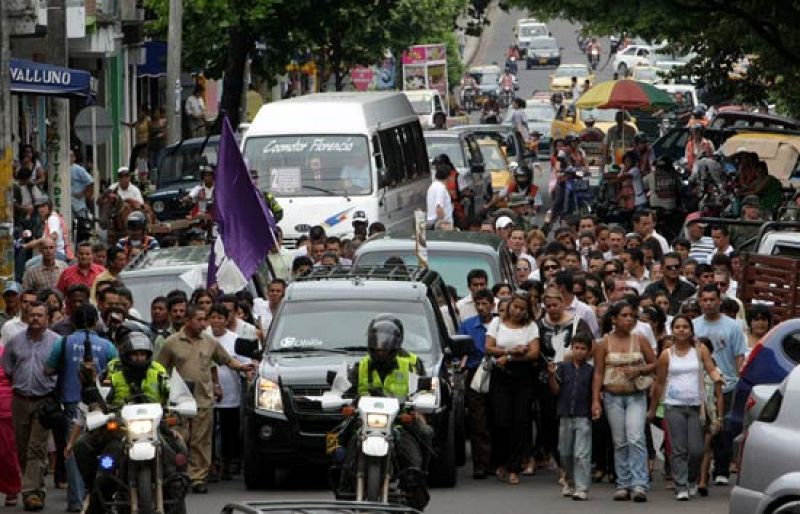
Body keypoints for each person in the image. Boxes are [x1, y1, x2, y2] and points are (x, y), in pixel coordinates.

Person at [157, 306, 252, 493]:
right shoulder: (171, 343)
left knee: (201, 442)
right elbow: (160, 370)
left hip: (204, 400)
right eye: (199, 320)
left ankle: (197, 478)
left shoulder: (209, 342)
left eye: (204, 320)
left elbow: (226, 360)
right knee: (179, 440)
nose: (203, 324)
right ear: (188, 320)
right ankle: (177, 476)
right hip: (179, 402)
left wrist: (243, 368)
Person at [340, 314, 431, 510]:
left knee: (424, 436)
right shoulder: (361, 365)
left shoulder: (412, 363)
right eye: (377, 345)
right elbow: (348, 390)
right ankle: (344, 489)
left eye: (385, 345)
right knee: (341, 442)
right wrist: (342, 400)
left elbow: (425, 392)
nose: (381, 350)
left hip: (400, 422)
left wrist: (417, 409)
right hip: (365, 422)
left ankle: (417, 487)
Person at [44, 305, 117, 512]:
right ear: (95, 322)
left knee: (72, 451)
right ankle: (104, 497)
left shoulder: (63, 342)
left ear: (73, 322)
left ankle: (76, 502)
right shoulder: (107, 345)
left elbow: (47, 369)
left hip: (71, 402)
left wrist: (67, 366)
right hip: (102, 405)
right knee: (105, 448)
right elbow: (116, 372)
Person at [648, 315, 724, 500]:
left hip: (697, 406)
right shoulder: (666, 354)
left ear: (691, 330)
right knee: (679, 449)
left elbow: (710, 368)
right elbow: (659, 382)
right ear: (672, 331)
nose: (681, 330)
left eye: (685, 327)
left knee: (698, 449)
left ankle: (691, 479)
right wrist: (653, 408)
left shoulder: (700, 350)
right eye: (677, 327)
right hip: (673, 406)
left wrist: (716, 378)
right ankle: (681, 485)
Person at [592, 301, 656, 502]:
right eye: (625, 315)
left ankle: (639, 484)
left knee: (636, 438)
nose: (629, 319)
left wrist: (639, 370)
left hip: (635, 395)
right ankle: (623, 483)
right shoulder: (603, 343)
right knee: (619, 441)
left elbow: (656, 363)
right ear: (614, 319)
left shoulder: (640, 340)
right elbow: (598, 373)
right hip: (612, 396)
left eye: (632, 316)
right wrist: (595, 399)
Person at [1, 301, 59, 511]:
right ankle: (34, 487)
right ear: (26, 316)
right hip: (20, 400)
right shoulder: (15, 342)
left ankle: (31, 493)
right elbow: (8, 368)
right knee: (23, 447)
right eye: (32, 315)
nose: (35, 318)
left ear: (47, 318)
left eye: (40, 315)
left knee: (37, 447)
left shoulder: (56, 342)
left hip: (44, 400)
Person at [692, 284, 747, 486]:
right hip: (699, 385)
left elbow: (739, 356)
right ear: (699, 302)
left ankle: (721, 470)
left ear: (719, 301)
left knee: (723, 427)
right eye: (704, 300)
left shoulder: (733, 326)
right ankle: (698, 472)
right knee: (701, 428)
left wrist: (740, 380)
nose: (708, 303)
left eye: (712, 299)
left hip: (728, 384)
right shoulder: (693, 325)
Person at [485, 293, 540, 485]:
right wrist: (510, 351)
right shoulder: (497, 323)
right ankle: (499, 460)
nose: (518, 311)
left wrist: (510, 358)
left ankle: (514, 467)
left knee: (520, 422)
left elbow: (533, 353)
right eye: (515, 307)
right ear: (508, 307)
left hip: (523, 377)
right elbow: (489, 347)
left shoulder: (530, 327)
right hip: (500, 377)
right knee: (501, 420)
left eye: (522, 309)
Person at [547, 333, 594, 500]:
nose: (579, 351)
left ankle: (582, 488)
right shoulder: (563, 368)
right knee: (565, 452)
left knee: (581, 453)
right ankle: (569, 481)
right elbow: (556, 390)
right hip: (565, 413)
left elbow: (594, 392)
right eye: (576, 348)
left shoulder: (591, 371)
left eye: (583, 349)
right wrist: (551, 375)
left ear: (589, 352)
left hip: (583, 415)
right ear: (571, 349)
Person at [458, 289, 494, 479]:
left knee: (497, 418)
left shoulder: (499, 324)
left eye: (484, 304)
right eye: (478, 304)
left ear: (492, 305)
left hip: (498, 372)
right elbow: (460, 351)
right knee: (478, 420)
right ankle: (480, 465)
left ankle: (497, 462)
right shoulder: (467, 325)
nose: (481, 308)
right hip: (475, 374)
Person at [426, 163, 453, 228]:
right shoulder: (440, 188)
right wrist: (443, 223)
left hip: (431, 223)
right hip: (442, 226)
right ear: (448, 176)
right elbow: (439, 208)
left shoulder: (432, 186)